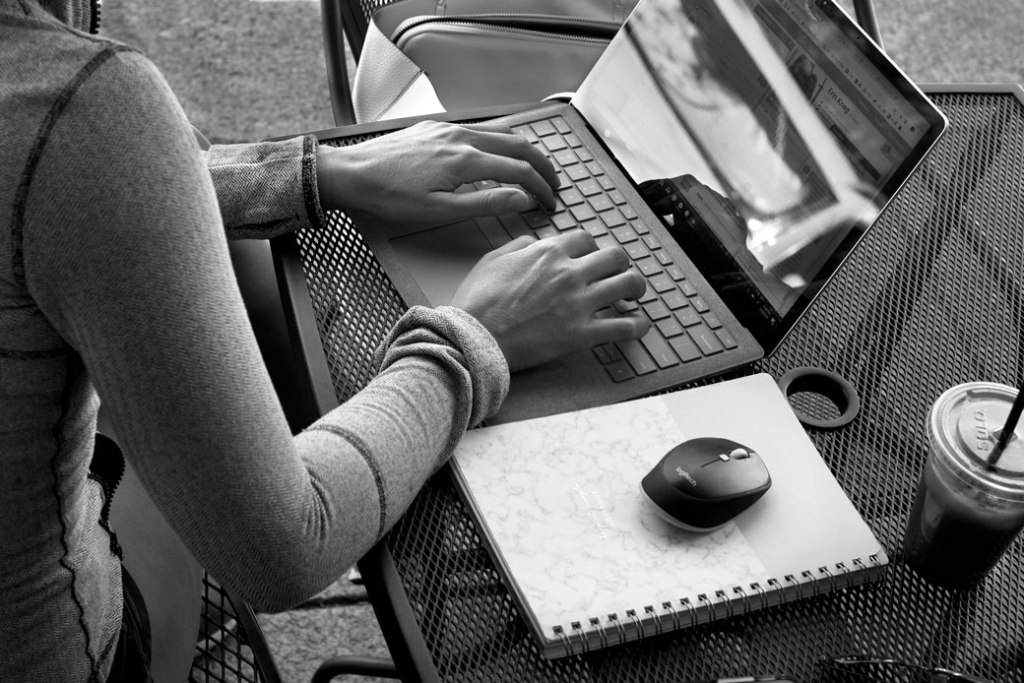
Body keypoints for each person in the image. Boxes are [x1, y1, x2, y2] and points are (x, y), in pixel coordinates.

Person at [0, 1, 650, 680]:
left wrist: (323, 173)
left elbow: (91, 183)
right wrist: (473, 337)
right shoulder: (83, 108)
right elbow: (283, 547)